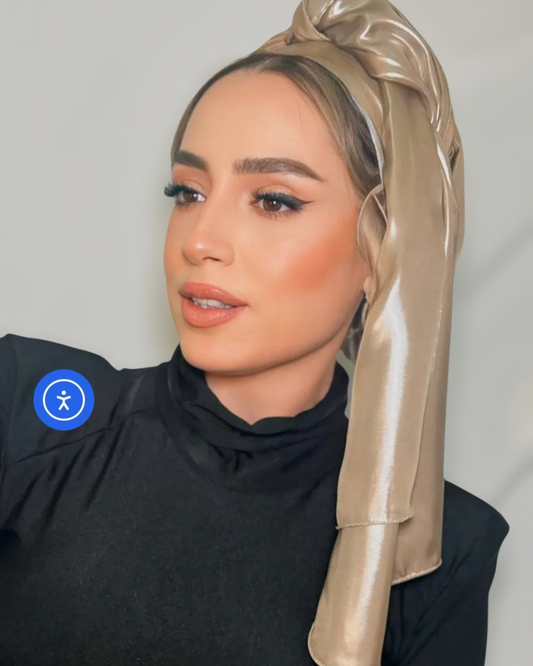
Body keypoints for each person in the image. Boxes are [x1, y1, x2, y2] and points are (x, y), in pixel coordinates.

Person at [0, 1, 509, 665]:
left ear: (384, 249)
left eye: (273, 200)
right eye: (187, 192)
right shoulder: (27, 413)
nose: (200, 240)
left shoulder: (434, 551)